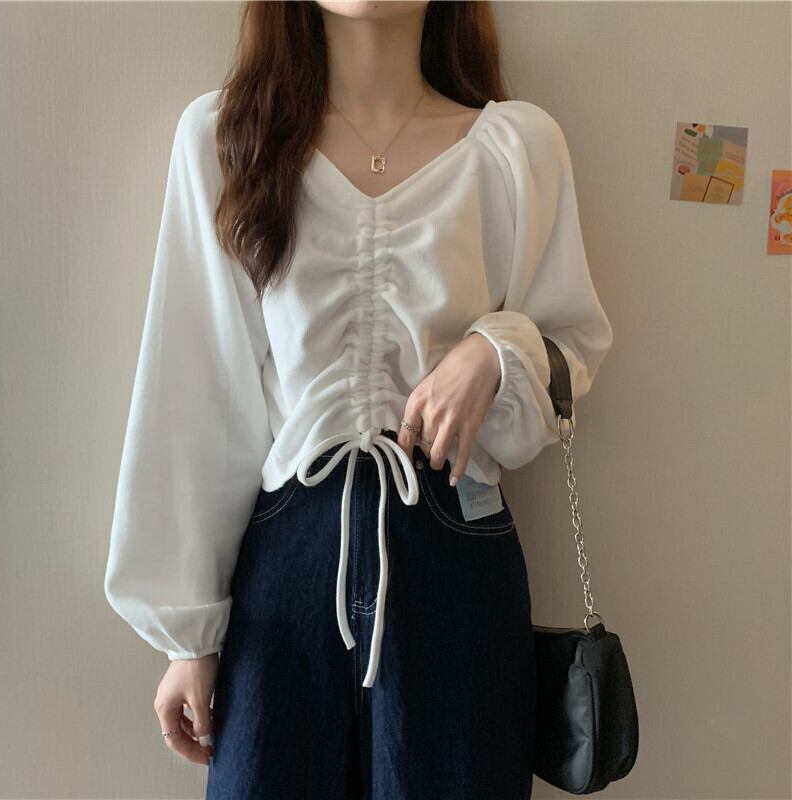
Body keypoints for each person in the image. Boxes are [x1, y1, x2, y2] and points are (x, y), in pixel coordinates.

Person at [103, 1, 614, 797]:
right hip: (284, 568)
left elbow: (571, 348)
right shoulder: (226, 138)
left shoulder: (517, 148)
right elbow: (193, 391)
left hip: (454, 550)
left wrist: (494, 351)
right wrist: (187, 636)